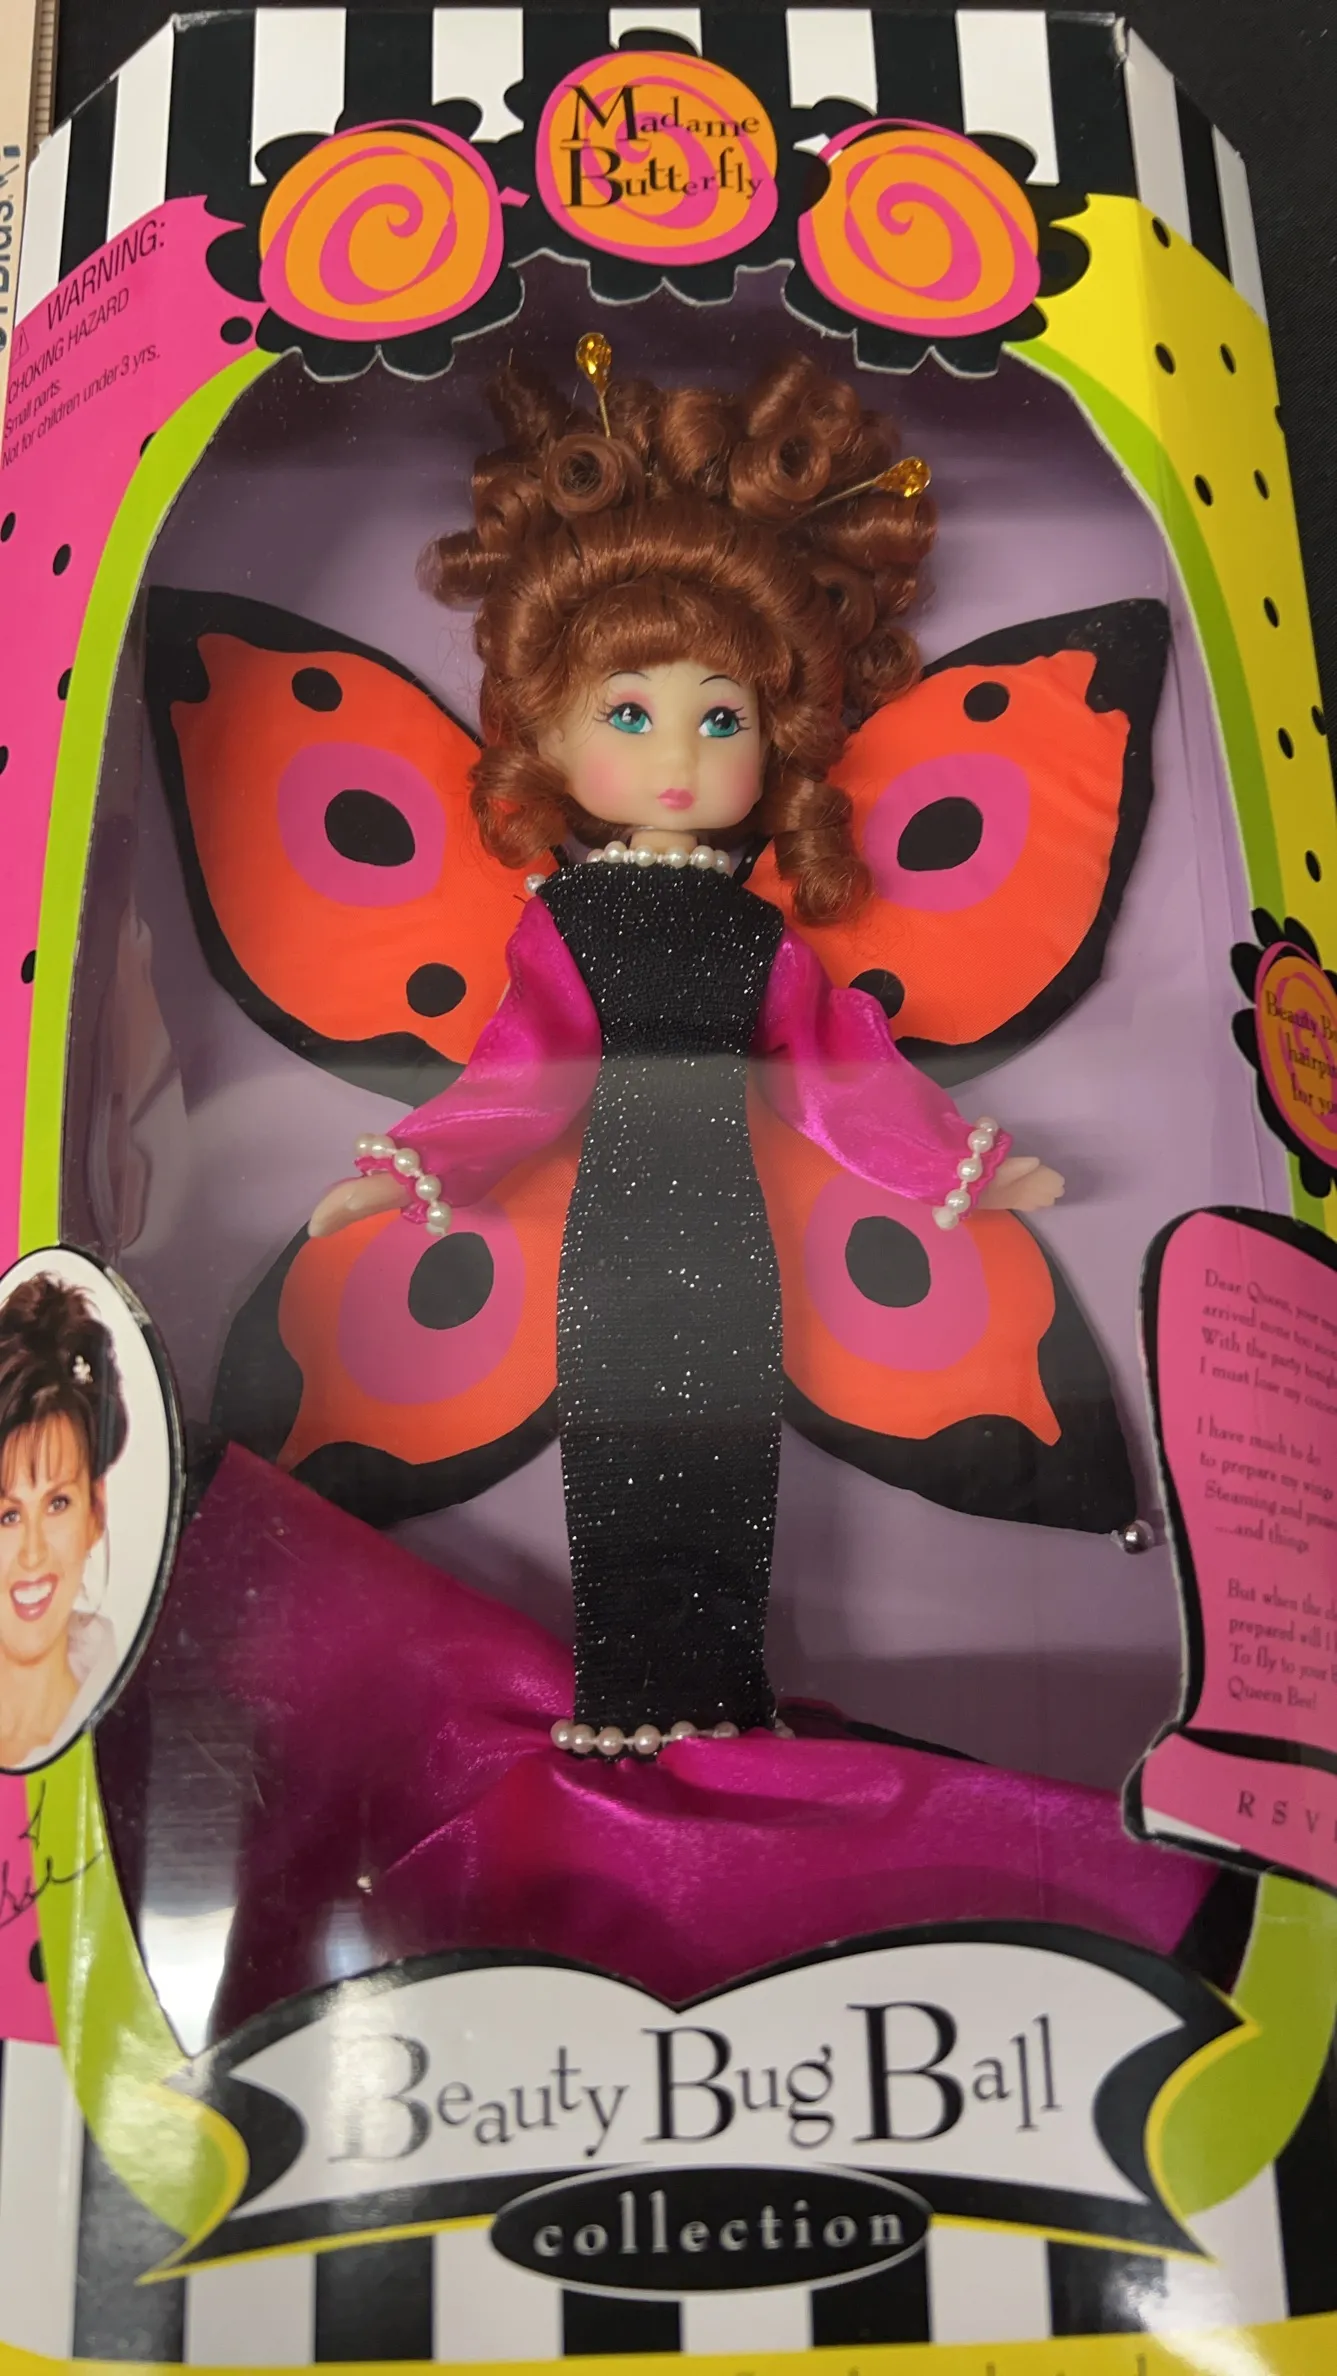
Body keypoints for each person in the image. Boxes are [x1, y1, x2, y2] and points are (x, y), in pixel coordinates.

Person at [308, 350, 1063, 1752]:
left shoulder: (757, 936)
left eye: (720, 718)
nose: (679, 757)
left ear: (772, 738)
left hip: (729, 1243)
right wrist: (408, 1169)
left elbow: (835, 1072)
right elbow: (517, 1074)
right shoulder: (566, 925)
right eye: (629, 713)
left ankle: (718, 1700)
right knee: (621, 1458)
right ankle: (625, 1699)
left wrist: (958, 1167)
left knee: (725, 1460)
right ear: (547, 732)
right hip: (615, 1243)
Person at [0, 1275, 127, 1770]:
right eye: (8, 1515)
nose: (33, 1553)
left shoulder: (124, 1727)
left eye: (57, 1504)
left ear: (96, 1511)